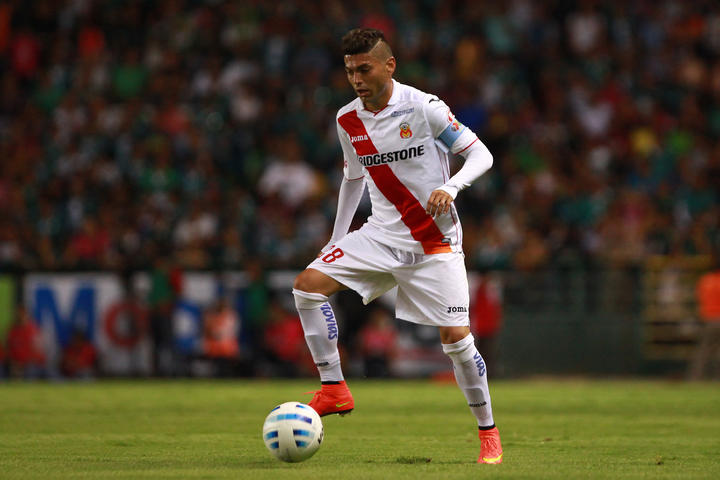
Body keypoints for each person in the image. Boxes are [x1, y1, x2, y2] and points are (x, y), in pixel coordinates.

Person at [292, 28, 503, 464]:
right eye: (350, 71)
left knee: (456, 340)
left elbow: (481, 155)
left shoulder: (424, 108)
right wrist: (336, 240)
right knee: (307, 287)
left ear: (389, 66)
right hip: (380, 236)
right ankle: (334, 387)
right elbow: (352, 179)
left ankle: (488, 433)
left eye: (364, 69)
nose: (356, 79)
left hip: (434, 242)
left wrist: (452, 186)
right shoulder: (347, 120)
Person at [688, 251, 720, 380]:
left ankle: (696, 378)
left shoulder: (705, 280)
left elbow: (698, 299)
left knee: (703, 351)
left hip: (708, 319)